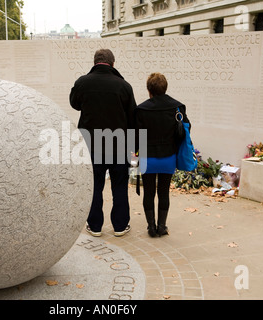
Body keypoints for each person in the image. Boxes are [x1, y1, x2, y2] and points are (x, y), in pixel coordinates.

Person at [70, 49, 137, 237]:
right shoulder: (124, 86)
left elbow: (74, 103)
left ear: (94, 62)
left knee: (95, 186)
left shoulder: (82, 82)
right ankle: (120, 226)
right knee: (119, 186)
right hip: (119, 145)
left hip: (92, 145)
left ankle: (95, 225)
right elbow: (132, 118)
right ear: (113, 64)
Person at [135, 73, 190, 237]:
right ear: (165, 88)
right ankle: (162, 226)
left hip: (147, 158)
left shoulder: (141, 109)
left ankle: (151, 227)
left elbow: (134, 137)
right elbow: (185, 130)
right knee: (164, 192)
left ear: (148, 89)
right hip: (168, 157)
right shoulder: (177, 108)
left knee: (149, 193)